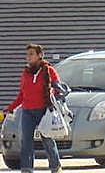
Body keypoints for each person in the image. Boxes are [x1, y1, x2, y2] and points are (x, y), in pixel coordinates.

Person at [5, 43, 63, 173]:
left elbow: (59, 88)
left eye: (31, 54)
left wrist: (54, 94)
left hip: (44, 110)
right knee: (26, 141)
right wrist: (10, 107)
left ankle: (56, 167)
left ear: (40, 55)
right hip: (27, 111)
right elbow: (22, 95)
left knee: (47, 140)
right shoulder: (25, 73)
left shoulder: (49, 70)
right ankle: (27, 169)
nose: (28, 57)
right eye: (27, 54)